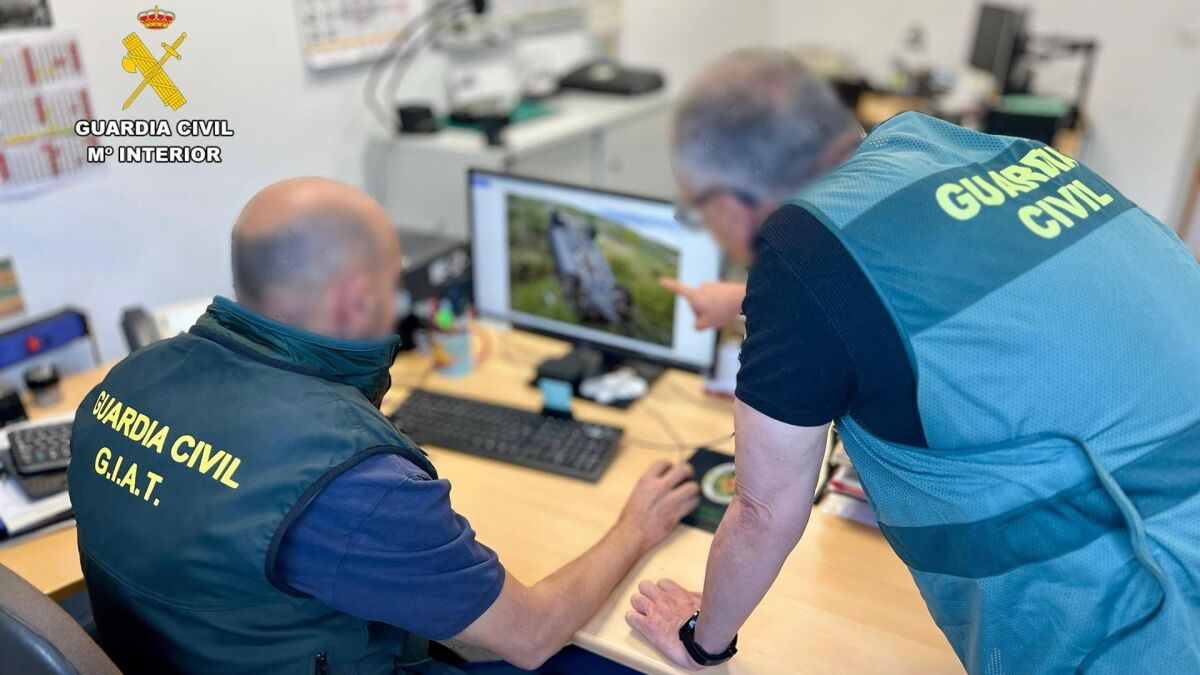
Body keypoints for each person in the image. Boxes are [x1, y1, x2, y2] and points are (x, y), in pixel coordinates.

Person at [627, 48, 1200, 673]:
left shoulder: (800, 250)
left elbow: (764, 512)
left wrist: (700, 640)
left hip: (1147, 594)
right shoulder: (952, 145)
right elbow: (927, 281)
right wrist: (750, 303)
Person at [67, 177, 700, 675]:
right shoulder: (355, 481)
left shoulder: (126, 381)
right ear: (357, 298)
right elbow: (530, 635)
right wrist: (636, 527)